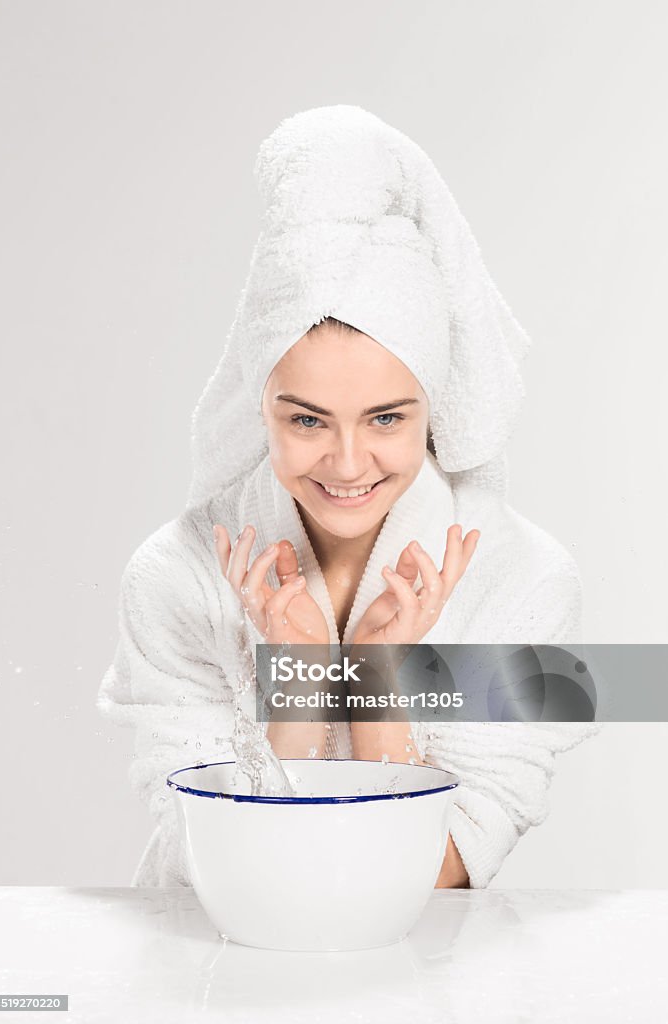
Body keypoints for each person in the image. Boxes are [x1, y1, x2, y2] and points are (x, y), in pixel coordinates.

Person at [97, 105, 600, 889]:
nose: (347, 460)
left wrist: (375, 679)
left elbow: (442, 877)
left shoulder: (526, 581)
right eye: (306, 418)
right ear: (256, 403)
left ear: (433, 404)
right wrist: (296, 683)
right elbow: (211, 873)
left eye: (387, 417)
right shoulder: (176, 576)